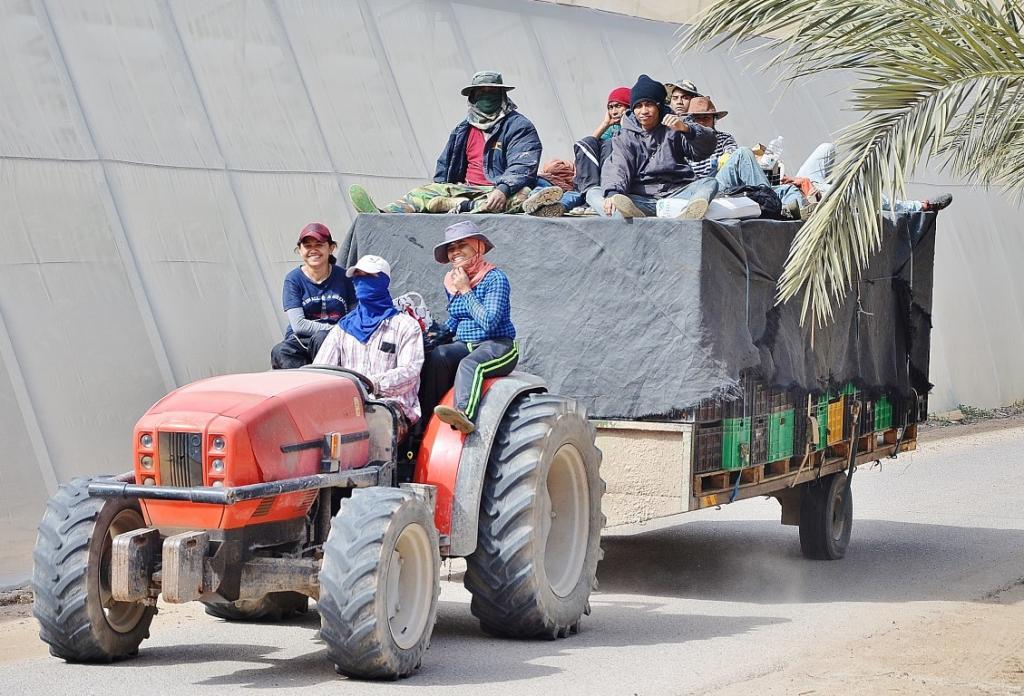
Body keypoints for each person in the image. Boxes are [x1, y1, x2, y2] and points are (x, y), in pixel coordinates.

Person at [347, 71, 561, 216]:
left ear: (502, 95)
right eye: (481, 92)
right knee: (422, 194)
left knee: (523, 196)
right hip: (466, 189)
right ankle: (384, 215)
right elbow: (445, 165)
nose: (486, 97)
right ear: (473, 97)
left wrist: (503, 188)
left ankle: (463, 206)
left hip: (501, 190)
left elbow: (522, 165)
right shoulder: (463, 130)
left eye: (492, 92)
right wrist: (440, 188)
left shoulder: (518, 126)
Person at [419, 221, 518, 435]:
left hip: (497, 345)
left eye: (461, 245)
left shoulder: (495, 278)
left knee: (470, 364)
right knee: (437, 356)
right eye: (451, 249)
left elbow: (490, 322)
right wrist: (432, 336)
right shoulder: (452, 280)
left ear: (478, 246)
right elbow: (457, 318)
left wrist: (465, 289)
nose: (455, 253)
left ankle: (463, 415)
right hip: (465, 343)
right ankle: (423, 425)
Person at [313, 255, 425, 428]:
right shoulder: (344, 327)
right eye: (357, 276)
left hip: (390, 409)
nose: (360, 281)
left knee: (372, 421)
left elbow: (410, 373)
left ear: (383, 281)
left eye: (368, 276)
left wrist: (372, 384)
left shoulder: (406, 326)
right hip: (348, 404)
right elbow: (320, 372)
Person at [588, 74, 719, 219]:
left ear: (659, 106)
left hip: (676, 196)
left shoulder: (676, 124)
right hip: (641, 199)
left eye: (649, 104)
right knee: (593, 193)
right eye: (638, 106)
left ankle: (688, 214)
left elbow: (707, 147)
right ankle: (630, 214)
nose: (643, 111)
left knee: (709, 183)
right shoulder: (625, 136)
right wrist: (613, 193)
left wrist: (687, 129)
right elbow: (617, 166)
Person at [270, 223, 355, 370]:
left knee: (321, 338)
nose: (313, 250)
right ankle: (299, 388)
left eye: (319, 245)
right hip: (302, 339)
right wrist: (333, 328)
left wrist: (337, 331)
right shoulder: (293, 279)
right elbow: (299, 325)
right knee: (279, 351)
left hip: (336, 338)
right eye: (307, 246)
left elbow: (355, 315)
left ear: (331, 248)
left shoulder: (345, 277)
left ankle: (324, 387)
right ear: (300, 250)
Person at [794, 142, 953, 213]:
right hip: (806, 194)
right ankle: (920, 206)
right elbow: (805, 203)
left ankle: (835, 197)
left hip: (797, 185)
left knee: (827, 149)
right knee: (865, 196)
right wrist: (806, 185)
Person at [566, 86, 631, 213]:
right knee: (587, 143)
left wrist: (626, 122)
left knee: (610, 144)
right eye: (610, 107)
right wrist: (605, 123)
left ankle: (593, 199)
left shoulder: (635, 125)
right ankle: (589, 193)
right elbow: (587, 146)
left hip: (617, 180)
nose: (614, 111)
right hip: (594, 182)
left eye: (618, 106)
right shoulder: (612, 127)